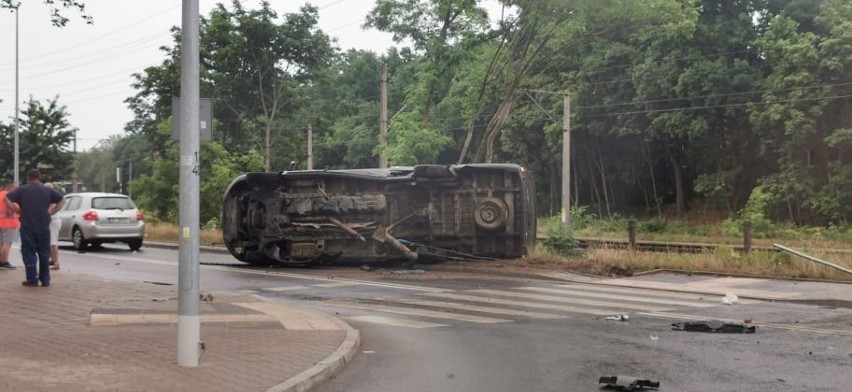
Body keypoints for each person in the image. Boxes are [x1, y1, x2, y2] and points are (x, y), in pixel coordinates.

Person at [4, 169, 64, 287]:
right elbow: (62, 200)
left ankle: (32, 279)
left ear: (28, 178)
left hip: (27, 225)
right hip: (43, 225)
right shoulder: (47, 190)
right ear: (40, 177)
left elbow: (6, 198)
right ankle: (45, 279)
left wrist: (15, 209)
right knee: (44, 252)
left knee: (29, 251)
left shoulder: (22, 190)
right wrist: (52, 211)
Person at [0, 181, 20, 270]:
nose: (16, 189)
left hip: (1, 221)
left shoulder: (0, 194)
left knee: (1, 243)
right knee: (7, 243)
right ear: (10, 187)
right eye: (15, 187)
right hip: (10, 222)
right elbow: (15, 207)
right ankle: (4, 262)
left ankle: (1, 260)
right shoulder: (10, 195)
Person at [44, 183, 62, 270]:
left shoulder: (52, 197)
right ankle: (53, 260)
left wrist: (48, 213)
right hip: (52, 220)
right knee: (50, 242)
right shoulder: (50, 197)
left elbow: (52, 207)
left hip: (53, 221)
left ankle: (56, 262)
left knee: (53, 242)